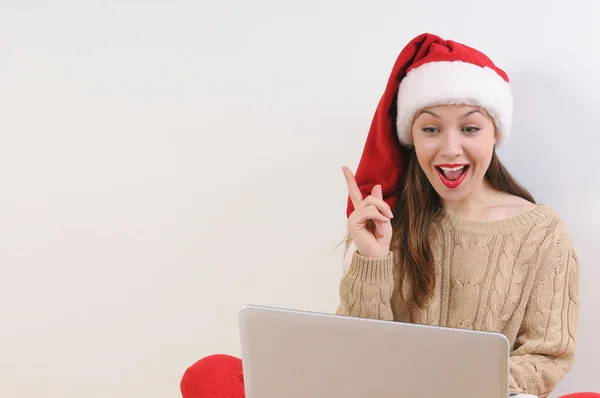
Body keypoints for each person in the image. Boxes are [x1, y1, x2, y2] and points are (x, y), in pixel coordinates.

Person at [180, 33, 580, 398]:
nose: (451, 148)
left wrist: (466, 382)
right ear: (412, 139)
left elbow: (549, 356)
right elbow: (352, 352)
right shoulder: (395, 221)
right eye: (431, 130)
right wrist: (372, 258)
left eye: (470, 129)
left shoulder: (542, 232)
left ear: (495, 133)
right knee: (211, 374)